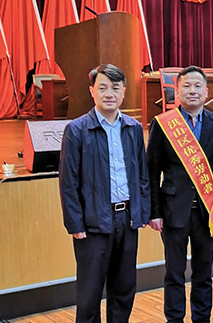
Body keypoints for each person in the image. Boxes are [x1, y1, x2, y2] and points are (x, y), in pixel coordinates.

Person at [59, 64, 150, 323]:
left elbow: (142, 174)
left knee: (124, 289)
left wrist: (141, 213)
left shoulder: (133, 128)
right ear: (92, 91)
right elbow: (68, 181)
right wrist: (75, 223)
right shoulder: (77, 130)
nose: (109, 94)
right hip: (93, 222)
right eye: (102, 88)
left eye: (115, 88)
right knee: (89, 294)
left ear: (124, 92)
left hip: (127, 219)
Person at [146, 66, 213, 323]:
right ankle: (174, 319)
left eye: (197, 86)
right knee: (174, 273)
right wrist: (154, 212)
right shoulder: (163, 124)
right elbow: (151, 171)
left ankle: (201, 319)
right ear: (177, 91)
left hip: (208, 212)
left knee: (203, 274)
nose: (192, 91)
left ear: (206, 92)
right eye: (186, 86)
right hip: (173, 211)